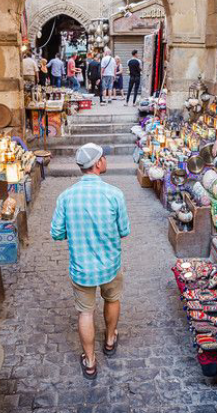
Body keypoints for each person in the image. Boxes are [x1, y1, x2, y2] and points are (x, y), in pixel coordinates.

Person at [51, 143, 130, 380]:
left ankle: (90, 362)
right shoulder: (115, 194)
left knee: (85, 313)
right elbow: (124, 231)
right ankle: (109, 340)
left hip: (82, 269)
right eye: (104, 157)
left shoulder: (66, 197)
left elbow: (56, 233)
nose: (106, 160)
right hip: (110, 265)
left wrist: (75, 230)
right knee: (112, 299)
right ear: (97, 164)